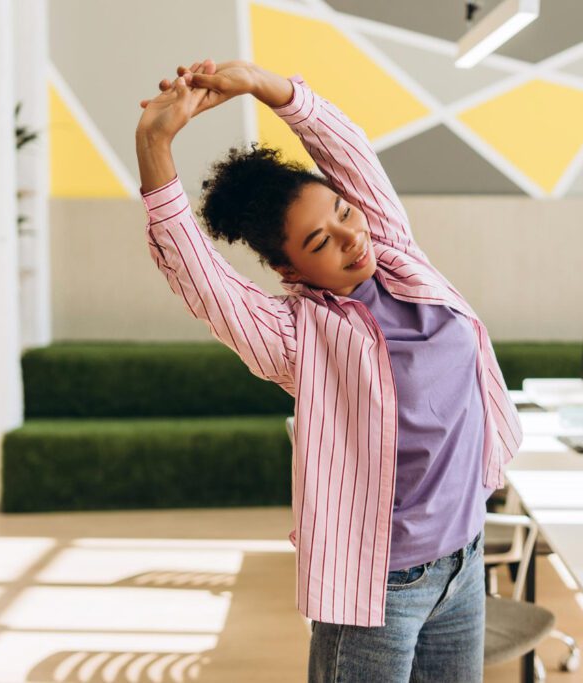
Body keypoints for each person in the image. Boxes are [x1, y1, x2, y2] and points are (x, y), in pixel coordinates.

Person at [135, 58, 522, 682]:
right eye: (319, 242)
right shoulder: (299, 337)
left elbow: (350, 151)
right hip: (382, 590)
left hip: (465, 561)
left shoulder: (397, 258)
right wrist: (154, 144)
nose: (350, 238)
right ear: (291, 271)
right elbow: (198, 276)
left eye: (343, 212)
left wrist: (264, 86)